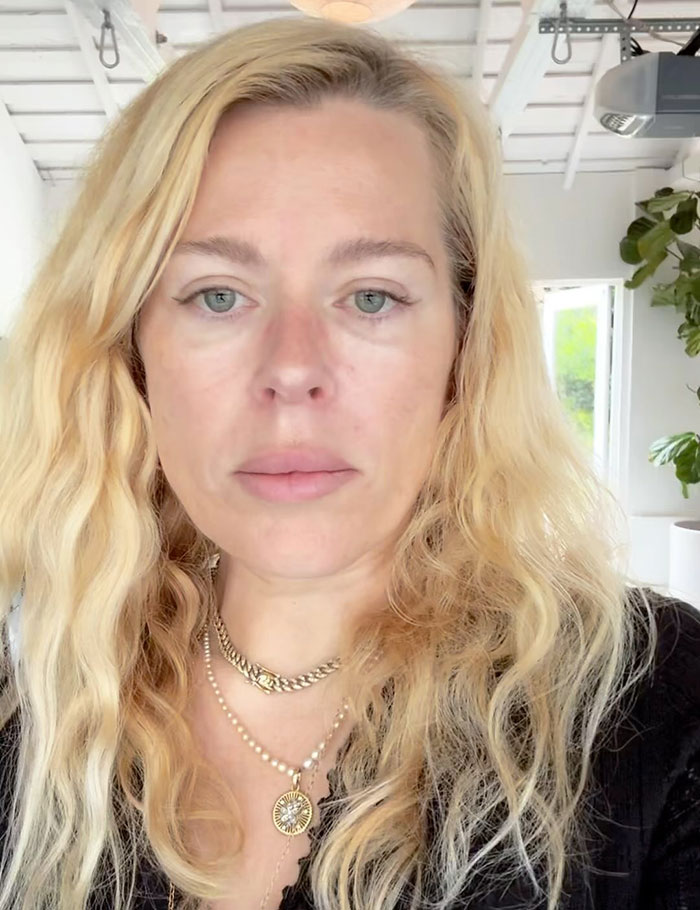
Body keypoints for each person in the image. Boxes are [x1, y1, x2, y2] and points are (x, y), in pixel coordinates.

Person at [0, 14, 698, 910]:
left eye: (371, 296)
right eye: (217, 295)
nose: (293, 369)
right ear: (133, 353)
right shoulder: (41, 711)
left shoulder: (657, 716)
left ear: (466, 348)